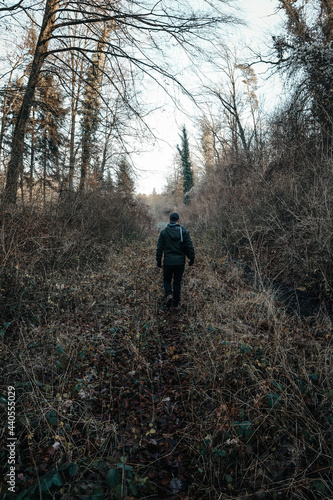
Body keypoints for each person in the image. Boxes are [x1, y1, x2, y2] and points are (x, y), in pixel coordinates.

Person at [156, 212, 195, 311]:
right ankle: (175, 305)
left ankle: (169, 294)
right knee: (177, 283)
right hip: (180, 262)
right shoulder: (184, 231)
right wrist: (192, 258)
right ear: (178, 221)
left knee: (166, 280)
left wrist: (158, 260)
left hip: (168, 262)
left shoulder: (164, 232)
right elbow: (189, 246)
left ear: (169, 221)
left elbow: (159, 248)